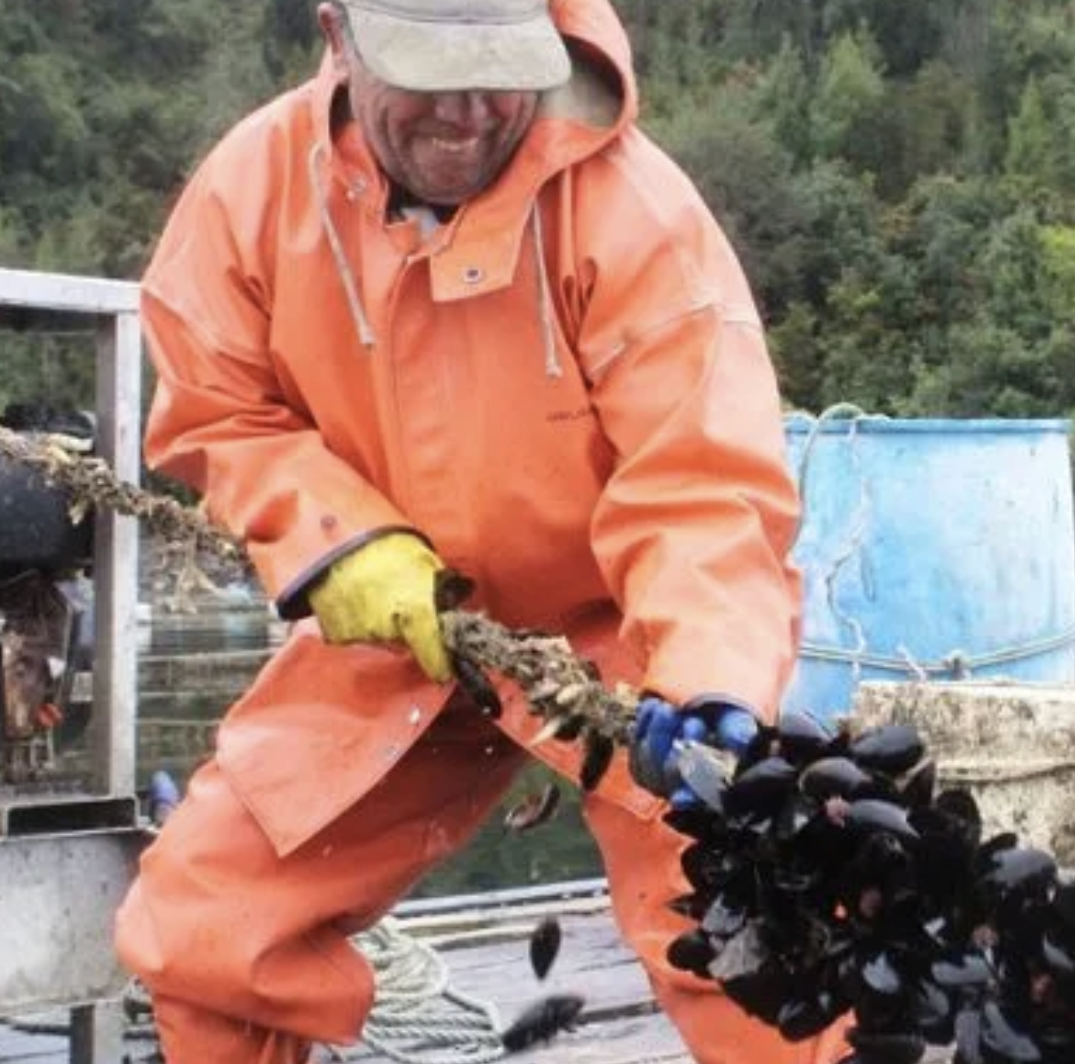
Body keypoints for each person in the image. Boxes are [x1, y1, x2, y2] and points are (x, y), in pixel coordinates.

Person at [111, 1, 844, 1062]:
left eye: (497, 74)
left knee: (755, 946)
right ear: (339, 37)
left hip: (622, 635)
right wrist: (333, 534)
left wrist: (709, 684)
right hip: (398, 621)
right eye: (427, 74)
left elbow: (701, 484)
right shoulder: (250, 189)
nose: (465, 114)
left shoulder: (634, 211)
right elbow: (216, 406)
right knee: (205, 924)